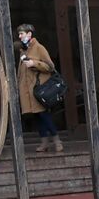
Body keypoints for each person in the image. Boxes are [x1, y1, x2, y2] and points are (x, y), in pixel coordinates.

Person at [16, 23, 63, 153]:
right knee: (37, 117)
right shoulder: (23, 51)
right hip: (29, 91)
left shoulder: (39, 48)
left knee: (44, 115)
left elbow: (50, 67)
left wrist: (34, 63)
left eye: (22, 33)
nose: (20, 36)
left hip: (39, 90)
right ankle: (44, 143)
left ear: (29, 34)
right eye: (19, 34)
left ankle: (57, 140)